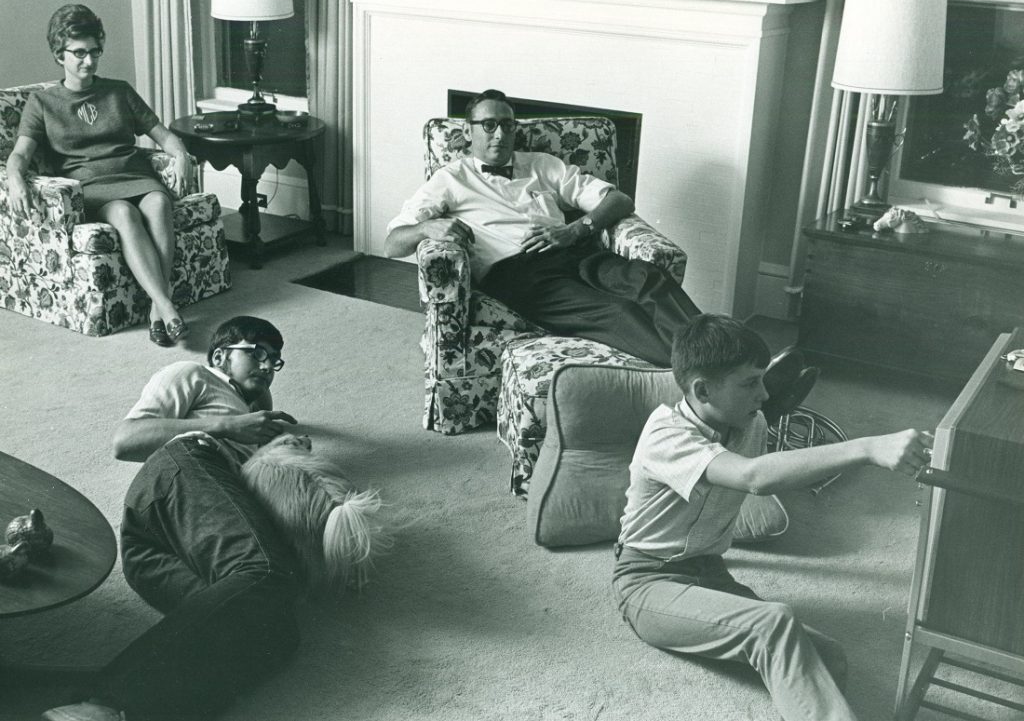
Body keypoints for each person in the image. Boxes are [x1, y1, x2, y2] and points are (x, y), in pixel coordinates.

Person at [384, 88, 815, 421]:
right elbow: (393, 242)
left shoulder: (541, 163)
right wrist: (428, 227)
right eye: (489, 125)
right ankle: (735, 396)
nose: (500, 134)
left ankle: (743, 372)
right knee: (617, 314)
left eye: (508, 125)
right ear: (468, 132)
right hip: (518, 274)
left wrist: (576, 229)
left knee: (650, 281)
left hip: (574, 251)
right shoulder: (449, 179)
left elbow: (618, 200)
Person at [612, 314, 934, 721]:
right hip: (648, 583)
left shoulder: (751, 422)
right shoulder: (666, 436)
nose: (762, 395)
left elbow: (778, 462)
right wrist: (867, 447)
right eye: (749, 384)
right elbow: (754, 477)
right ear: (702, 390)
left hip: (710, 574)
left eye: (763, 380)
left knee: (829, 659)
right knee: (773, 624)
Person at [44, 316, 301, 721]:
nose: (269, 366)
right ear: (220, 355)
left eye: (276, 361)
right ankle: (101, 701)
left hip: (161, 552)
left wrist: (270, 431)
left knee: (278, 633)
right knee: (267, 571)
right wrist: (230, 425)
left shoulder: (252, 421)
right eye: (258, 354)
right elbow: (124, 440)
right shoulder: (195, 374)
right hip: (181, 474)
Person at [6, 4, 194, 347]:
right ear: (59, 54)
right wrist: (15, 178)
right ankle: (167, 306)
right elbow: (20, 154)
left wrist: (180, 155)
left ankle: (158, 310)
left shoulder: (119, 91)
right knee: (123, 212)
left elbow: (164, 136)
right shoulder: (43, 103)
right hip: (90, 186)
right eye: (78, 53)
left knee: (157, 203)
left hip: (133, 174)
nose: (88, 61)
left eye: (94, 52)